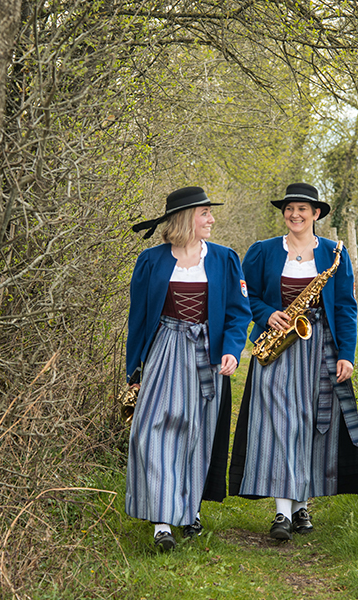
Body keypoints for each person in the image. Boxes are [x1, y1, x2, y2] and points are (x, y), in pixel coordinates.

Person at [229, 183, 358, 540]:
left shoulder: (336, 252)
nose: (295, 215)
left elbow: (346, 307)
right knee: (281, 424)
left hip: (319, 345)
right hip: (277, 347)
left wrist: (347, 355)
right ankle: (281, 513)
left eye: (303, 209)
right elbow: (245, 298)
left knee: (308, 425)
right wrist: (267, 314)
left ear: (316, 214)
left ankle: (301, 506)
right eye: (290, 209)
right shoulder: (262, 251)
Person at [125, 186, 251, 552]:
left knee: (198, 433)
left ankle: (188, 509)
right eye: (205, 213)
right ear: (186, 219)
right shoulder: (151, 261)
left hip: (207, 354)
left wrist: (231, 351)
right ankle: (162, 521)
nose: (212, 219)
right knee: (150, 433)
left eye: (210, 213)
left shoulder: (225, 259)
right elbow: (138, 319)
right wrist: (134, 371)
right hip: (165, 349)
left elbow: (238, 313)